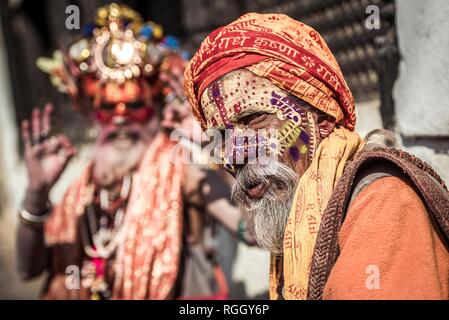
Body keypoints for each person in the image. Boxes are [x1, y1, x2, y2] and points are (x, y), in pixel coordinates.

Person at [184, 13, 449, 299]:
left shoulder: (383, 202)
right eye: (221, 136)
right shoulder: (299, 209)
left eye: (256, 119)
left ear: (322, 119)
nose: (235, 152)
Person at [16, 3, 249, 300]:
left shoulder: (180, 171)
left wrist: (216, 144)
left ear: (155, 109)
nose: (121, 117)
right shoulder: (82, 190)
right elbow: (27, 270)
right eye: (108, 108)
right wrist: (36, 193)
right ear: (90, 112)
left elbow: (252, 233)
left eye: (135, 106)